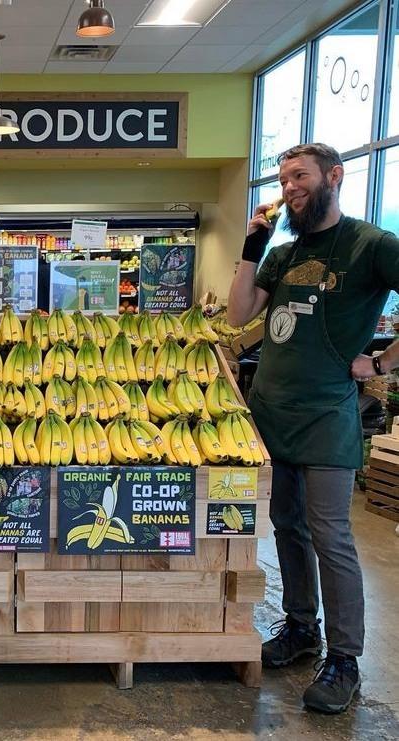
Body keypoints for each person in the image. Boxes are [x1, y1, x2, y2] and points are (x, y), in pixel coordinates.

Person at [228, 143, 399, 714]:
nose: (290, 186)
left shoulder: (370, 246)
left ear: (334, 176)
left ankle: (345, 658)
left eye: (300, 175)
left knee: (331, 536)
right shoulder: (285, 250)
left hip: (328, 413)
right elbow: (238, 313)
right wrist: (252, 247)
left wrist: (379, 364)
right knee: (286, 526)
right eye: (283, 178)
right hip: (272, 408)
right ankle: (301, 628)